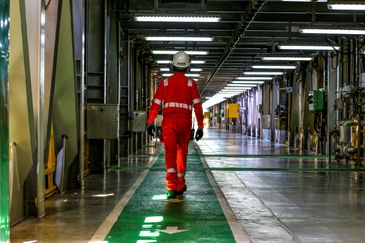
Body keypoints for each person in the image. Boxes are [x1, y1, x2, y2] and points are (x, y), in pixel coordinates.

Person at [147, 51, 204, 199]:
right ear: (187, 67)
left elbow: (155, 105)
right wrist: (200, 126)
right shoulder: (192, 84)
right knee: (181, 154)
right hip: (185, 124)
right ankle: (180, 185)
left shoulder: (165, 83)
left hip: (169, 124)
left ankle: (172, 188)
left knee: (170, 155)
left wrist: (150, 123)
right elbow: (198, 107)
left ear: (172, 65)